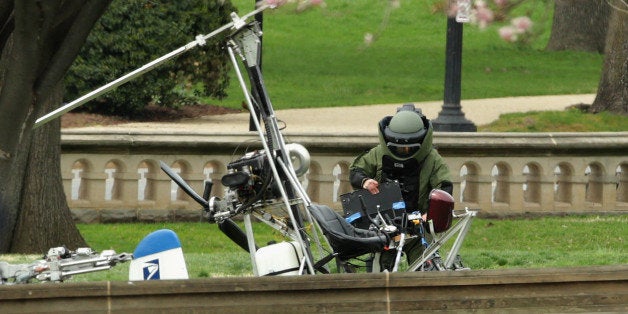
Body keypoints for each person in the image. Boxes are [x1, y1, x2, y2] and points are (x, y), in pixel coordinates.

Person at [349, 103, 453, 270]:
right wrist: (365, 181)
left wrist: (430, 215)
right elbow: (356, 170)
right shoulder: (378, 153)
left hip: (418, 225)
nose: (403, 151)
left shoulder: (432, 160)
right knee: (381, 265)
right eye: (399, 148)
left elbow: (445, 188)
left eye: (408, 148)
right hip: (385, 225)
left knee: (423, 263)